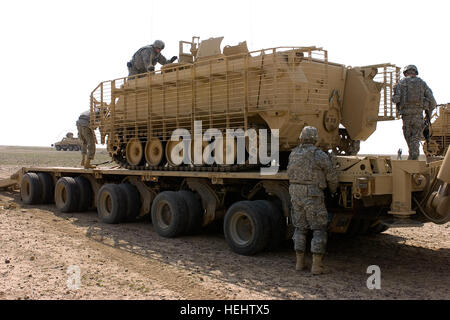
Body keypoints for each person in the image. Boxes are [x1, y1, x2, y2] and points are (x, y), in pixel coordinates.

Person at [287, 126, 338, 275]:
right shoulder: (318, 154)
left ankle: (299, 263)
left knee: (300, 228)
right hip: (313, 196)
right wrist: (333, 190)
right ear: (315, 138)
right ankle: (316, 266)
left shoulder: (293, 154)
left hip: (296, 195)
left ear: (301, 137)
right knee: (318, 229)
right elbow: (331, 175)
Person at [392, 65, 436, 160]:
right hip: (418, 116)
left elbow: (395, 99)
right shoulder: (422, 84)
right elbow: (433, 102)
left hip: (406, 117)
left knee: (409, 139)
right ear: (416, 72)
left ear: (405, 73)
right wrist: (428, 116)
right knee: (415, 139)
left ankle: (412, 159)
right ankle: (413, 158)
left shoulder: (401, 83)